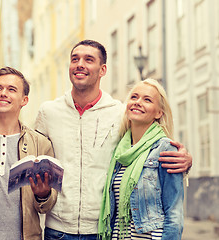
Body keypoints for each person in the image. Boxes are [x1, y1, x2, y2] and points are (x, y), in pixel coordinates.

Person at [35, 39, 192, 239]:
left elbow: (146, 148)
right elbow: (33, 158)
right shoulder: (48, 112)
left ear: (102, 70)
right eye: (75, 59)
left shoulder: (121, 113)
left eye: (88, 59)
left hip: (102, 230)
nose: (80, 64)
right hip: (57, 230)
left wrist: (186, 161)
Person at [0, 66, 57, 240]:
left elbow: (47, 206)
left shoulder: (40, 144)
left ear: (24, 100)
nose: (3, 93)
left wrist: (43, 194)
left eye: (11, 89)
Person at [99, 79, 183, 240]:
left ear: (159, 113)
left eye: (147, 100)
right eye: (134, 97)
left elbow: (175, 213)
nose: (138, 102)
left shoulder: (165, 149)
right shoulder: (120, 152)